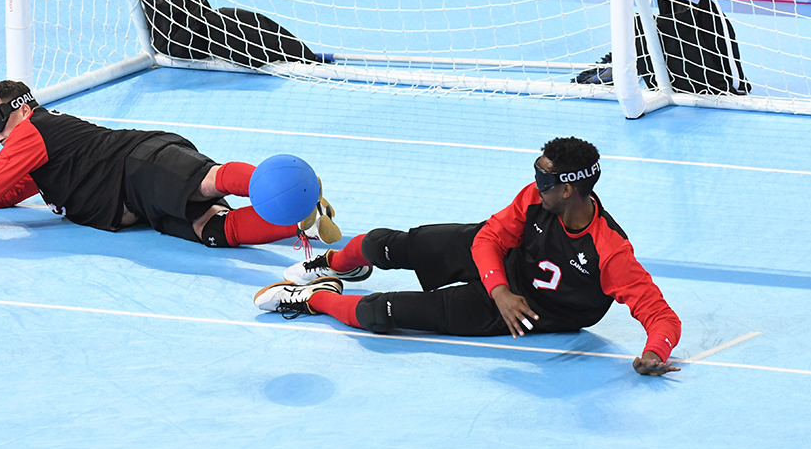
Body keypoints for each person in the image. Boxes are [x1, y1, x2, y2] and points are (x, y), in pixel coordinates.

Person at [254, 137, 682, 376]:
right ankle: (335, 264)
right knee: (382, 244)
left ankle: (313, 299)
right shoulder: (536, 199)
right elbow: (488, 239)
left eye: (543, 175)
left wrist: (656, 353)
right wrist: (498, 288)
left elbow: (660, 315)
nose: (534, 180)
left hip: (523, 313)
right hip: (501, 269)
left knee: (376, 313)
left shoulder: (609, 250)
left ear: (567, 189)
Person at [0, 80, 340, 251]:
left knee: (205, 183)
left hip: (137, 164)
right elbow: (5, 192)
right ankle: (303, 223)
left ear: (21, 107)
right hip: (132, 201)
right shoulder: (37, 153)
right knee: (213, 230)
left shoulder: (31, 131)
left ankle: (288, 188)